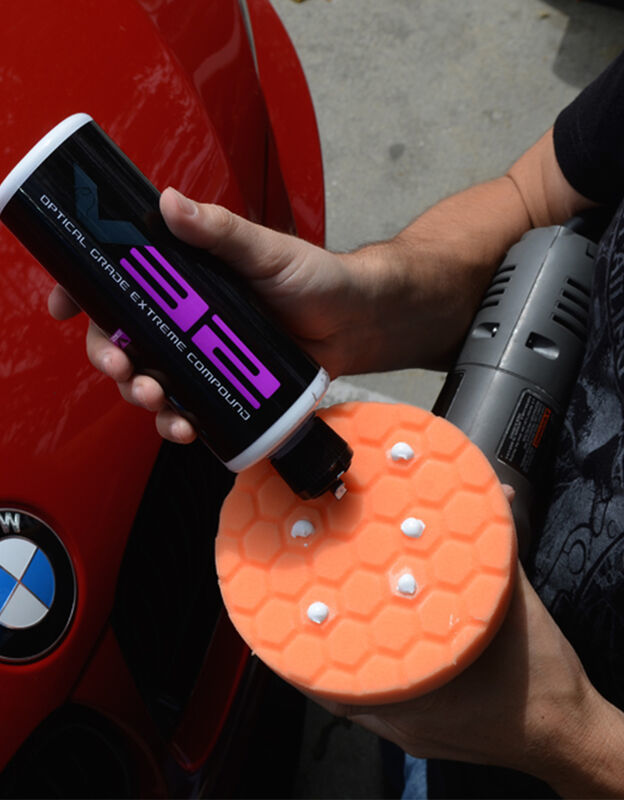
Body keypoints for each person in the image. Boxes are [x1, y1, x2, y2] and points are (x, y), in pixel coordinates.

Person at [49, 51, 624, 797]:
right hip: (451, 710)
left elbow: (568, 738)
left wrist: (565, 735)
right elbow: (536, 193)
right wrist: (361, 303)